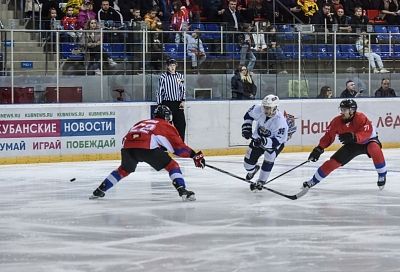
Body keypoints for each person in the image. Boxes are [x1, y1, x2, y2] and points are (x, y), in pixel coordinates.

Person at [89, 105, 205, 201]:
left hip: (128, 147)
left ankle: (99, 190)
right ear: (167, 117)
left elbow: (128, 138)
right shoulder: (165, 125)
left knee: (123, 169)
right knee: (172, 165)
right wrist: (194, 155)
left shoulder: (142, 122)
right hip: (146, 148)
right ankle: (182, 191)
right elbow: (179, 148)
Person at [303, 99, 387, 193]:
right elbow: (329, 136)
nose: (342, 112)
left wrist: (355, 137)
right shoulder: (336, 121)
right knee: (332, 163)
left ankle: (382, 174)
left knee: (374, 148)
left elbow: (366, 132)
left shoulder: (361, 117)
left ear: (352, 110)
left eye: (345, 110)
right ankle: (313, 181)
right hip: (352, 145)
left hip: (368, 141)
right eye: (341, 109)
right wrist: (319, 148)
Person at [241, 95, 290, 191]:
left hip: (274, 143)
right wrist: (247, 127)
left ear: (275, 108)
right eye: (265, 107)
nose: (265, 110)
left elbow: (277, 141)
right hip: (258, 139)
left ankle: (261, 181)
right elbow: (248, 115)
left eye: (268, 108)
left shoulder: (280, 122)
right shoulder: (259, 109)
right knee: (247, 165)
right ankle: (253, 170)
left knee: (269, 156)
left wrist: (264, 141)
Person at [156, 58, 186, 141]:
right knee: (167, 126)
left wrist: (183, 101)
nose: (173, 67)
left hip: (178, 104)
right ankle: (166, 146)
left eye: (174, 65)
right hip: (167, 104)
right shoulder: (163, 77)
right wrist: (159, 104)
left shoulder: (180, 76)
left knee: (181, 125)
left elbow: (182, 89)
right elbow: (159, 91)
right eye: (170, 65)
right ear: (167, 66)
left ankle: (181, 144)